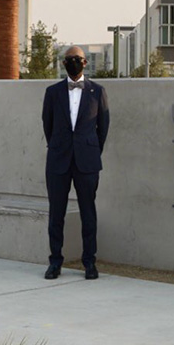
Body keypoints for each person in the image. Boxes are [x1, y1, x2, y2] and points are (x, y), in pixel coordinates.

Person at [42, 46, 110, 280]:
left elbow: (103, 128)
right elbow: (47, 125)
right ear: (64, 63)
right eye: (70, 59)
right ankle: (55, 262)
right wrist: (59, 146)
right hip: (58, 160)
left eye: (78, 59)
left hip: (87, 162)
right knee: (56, 214)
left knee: (88, 213)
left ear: (85, 63)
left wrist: (91, 151)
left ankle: (89, 262)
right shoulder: (52, 92)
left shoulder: (97, 91)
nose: (74, 62)